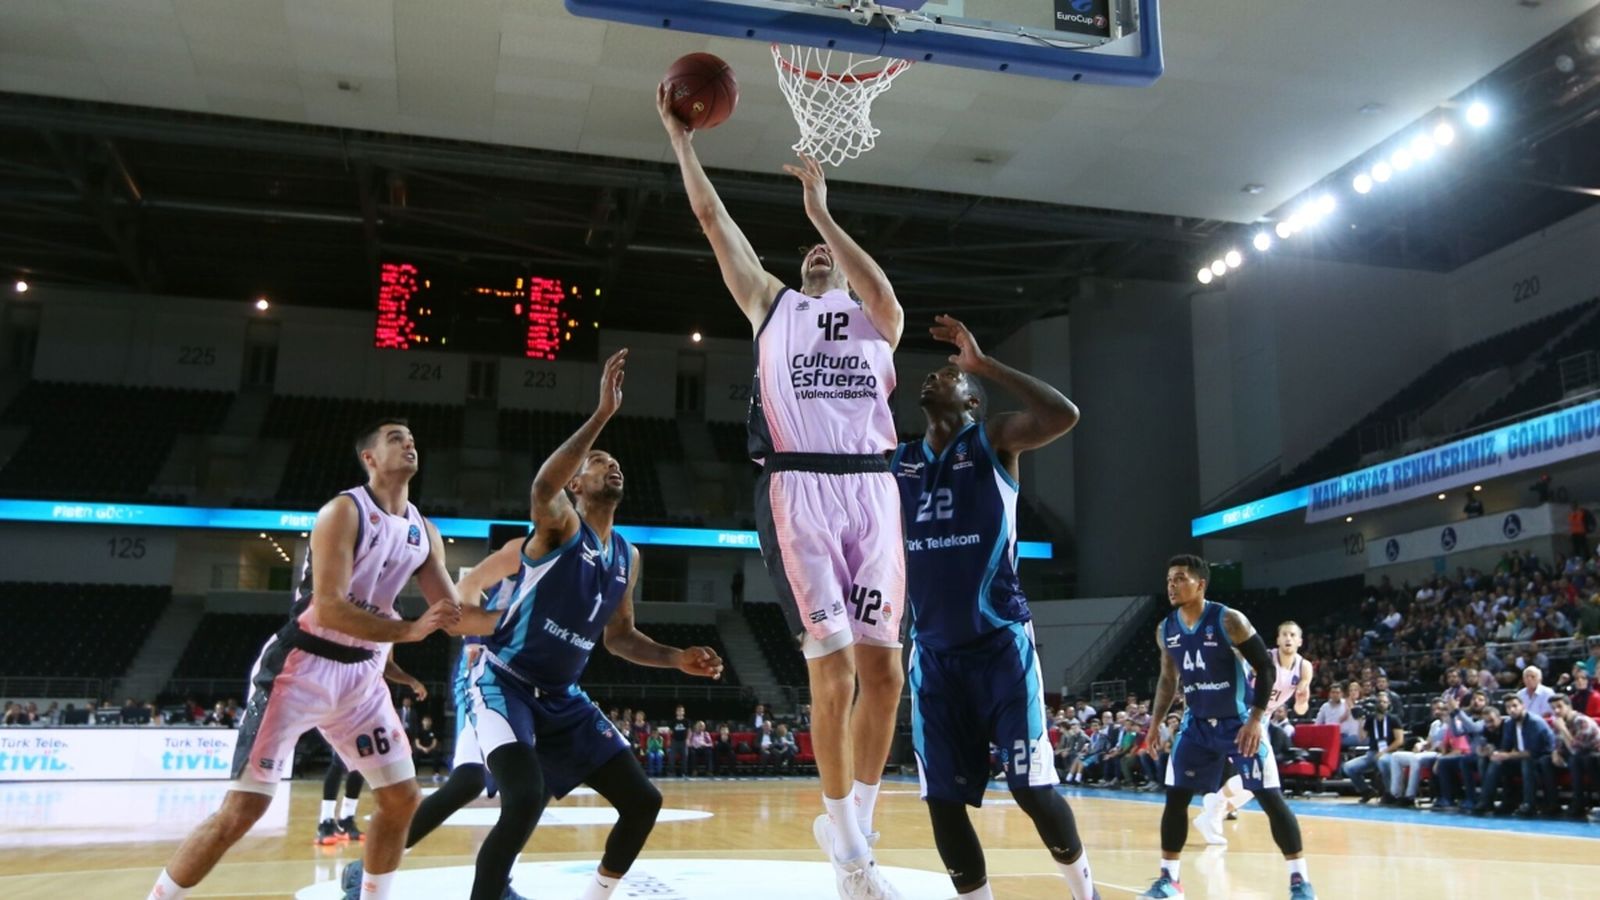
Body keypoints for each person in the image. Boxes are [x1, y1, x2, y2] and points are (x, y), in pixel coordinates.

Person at [346, 351, 724, 900]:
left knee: (644, 802)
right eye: (598, 461)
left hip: (563, 696)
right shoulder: (558, 526)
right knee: (516, 796)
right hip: (504, 680)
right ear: (576, 484)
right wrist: (600, 415)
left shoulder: (628, 556)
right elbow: (536, 499)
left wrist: (675, 657)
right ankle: (426, 877)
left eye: (614, 461)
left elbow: (618, 638)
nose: (610, 465)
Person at [661, 83, 906, 900]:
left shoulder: (877, 320)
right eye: (808, 255)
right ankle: (852, 862)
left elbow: (888, 296)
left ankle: (852, 823)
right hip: (800, 487)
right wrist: (683, 142)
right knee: (832, 675)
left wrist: (822, 214)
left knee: (887, 674)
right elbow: (713, 226)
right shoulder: (773, 307)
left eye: (826, 257)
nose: (815, 259)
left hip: (875, 492)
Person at [146, 418, 462, 900]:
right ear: (369, 458)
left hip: (363, 678)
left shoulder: (425, 531)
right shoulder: (343, 510)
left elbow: (457, 614)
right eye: (395, 438)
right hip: (302, 668)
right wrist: (409, 630)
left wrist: (524, 616)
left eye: (413, 438)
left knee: (402, 797)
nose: (409, 443)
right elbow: (331, 608)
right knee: (243, 810)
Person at [892, 320, 1092, 899]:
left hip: (1000, 645)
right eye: (936, 373)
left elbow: (1064, 416)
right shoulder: (898, 463)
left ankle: (1085, 892)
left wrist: (984, 364)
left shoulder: (992, 438)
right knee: (943, 801)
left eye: (950, 375)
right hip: (933, 656)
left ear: (972, 400)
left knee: (1032, 789)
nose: (935, 375)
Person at [1140, 555, 1315, 900]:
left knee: (1270, 799)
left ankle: (1300, 882)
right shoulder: (1166, 628)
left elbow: (1265, 668)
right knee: (1175, 798)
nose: (1171, 586)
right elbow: (1167, 679)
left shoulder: (1228, 620)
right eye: (1168, 580)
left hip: (1238, 723)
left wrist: (1254, 719)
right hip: (1196, 726)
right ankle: (1169, 879)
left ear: (1200, 584)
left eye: (1179, 579)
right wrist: (1155, 724)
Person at [1195, 620, 1314, 845]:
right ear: (1277, 640)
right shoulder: (1266, 658)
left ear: (1299, 641)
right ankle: (1213, 809)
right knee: (1263, 778)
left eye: (1293, 635)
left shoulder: (1304, 667)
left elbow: (1301, 709)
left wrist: (1302, 699)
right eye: (1284, 634)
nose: (1288, 638)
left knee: (1258, 782)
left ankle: (1213, 811)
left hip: (1261, 720)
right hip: (1241, 715)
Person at [316, 655, 427, 846]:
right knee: (338, 762)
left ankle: (346, 818)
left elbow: (386, 663)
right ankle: (325, 820)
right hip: (339, 694)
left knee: (364, 762)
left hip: (367, 701)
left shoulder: (390, 628)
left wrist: (411, 681)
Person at [1473, 694, 1556, 817]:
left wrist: (1507, 755)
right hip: (1521, 758)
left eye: (1515, 706)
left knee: (1527, 762)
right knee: (1496, 762)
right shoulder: (1509, 723)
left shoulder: (1534, 722)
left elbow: (1532, 752)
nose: (1511, 710)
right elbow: (1505, 748)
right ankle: (1486, 802)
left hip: (1543, 758)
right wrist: (1495, 753)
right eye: (1508, 707)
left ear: (1523, 706)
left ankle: (1529, 805)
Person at [1344, 693, 1405, 804]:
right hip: (1372, 753)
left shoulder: (1393, 719)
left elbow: (1399, 740)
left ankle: (1389, 793)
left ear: (1389, 704)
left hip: (1390, 753)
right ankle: (1366, 791)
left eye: (1384, 702)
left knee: (1383, 761)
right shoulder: (1371, 719)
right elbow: (1361, 739)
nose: (1381, 704)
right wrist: (1360, 721)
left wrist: (1384, 752)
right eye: (1379, 702)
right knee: (1348, 767)